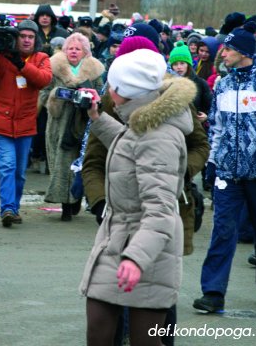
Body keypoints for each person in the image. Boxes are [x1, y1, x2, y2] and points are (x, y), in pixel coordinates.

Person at [80, 48, 195, 346]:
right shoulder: (143, 121)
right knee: (99, 332)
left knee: (145, 342)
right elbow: (131, 145)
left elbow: (161, 210)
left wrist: (135, 258)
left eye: (112, 85)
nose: (108, 90)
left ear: (127, 91)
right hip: (119, 240)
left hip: (147, 251)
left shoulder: (158, 136)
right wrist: (97, 117)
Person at [193, 21, 256, 312]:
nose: (223, 53)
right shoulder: (224, 84)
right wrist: (213, 162)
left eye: (228, 49)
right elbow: (217, 127)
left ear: (243, 51)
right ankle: (213, 293)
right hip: (228, 172)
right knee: (223, 231)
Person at [0, 19, 53, 227]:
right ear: (16, 37)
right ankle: (8, 209)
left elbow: (43, 79)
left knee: (19, 172)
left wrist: (21, 64)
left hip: (25, 124)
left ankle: (14, 206)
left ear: (36, 39)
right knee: (7, 166)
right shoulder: (1, 56)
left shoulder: (41, 58)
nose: (27, 40)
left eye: (31, 37)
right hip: (1, 122)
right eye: (23, 36)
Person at [40, 32, 104, 221]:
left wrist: (90, 99)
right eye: (70, 48)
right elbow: (43, 92)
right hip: (59, 123)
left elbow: (101, 94)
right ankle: (65, 205)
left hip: (84, 123)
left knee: (81, 162)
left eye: (78, 49)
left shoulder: (95, 70)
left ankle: (76, 197)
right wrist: (56, 96)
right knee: (61, 164)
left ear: (85, 52)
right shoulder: (54, 67)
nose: (73, 52)